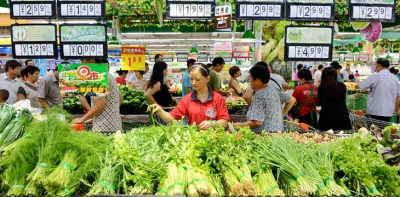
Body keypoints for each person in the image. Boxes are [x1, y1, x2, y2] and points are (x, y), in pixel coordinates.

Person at [150, 64, 229, 130]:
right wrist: (159, 110)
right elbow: (171, 117)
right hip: (194, 141)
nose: (193, 83)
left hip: (214, 141)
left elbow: (224, 122)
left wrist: (212, 124)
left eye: (197, 79)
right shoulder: (187, 100)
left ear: (207, 79)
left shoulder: (218, 98)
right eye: (191, 79)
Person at [233, 62, 296, 133]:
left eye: (250, 78)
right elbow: (292, 100)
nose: (250, 81)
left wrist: (240, 125)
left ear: (257, 80)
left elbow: (257, 122)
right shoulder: (275, 90)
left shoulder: (259, 95)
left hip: (264, 135)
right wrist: (281, 115)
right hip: (278, 133)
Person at [72, 59, 123, 132]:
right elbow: (120, 99)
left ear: (92, 61)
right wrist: (111, 111)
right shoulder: (109, 76)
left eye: (83, 63)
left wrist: (82, 119)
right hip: (116, 125)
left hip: (103, 128)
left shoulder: (99, 78)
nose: (82, 66)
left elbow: (100, 105)